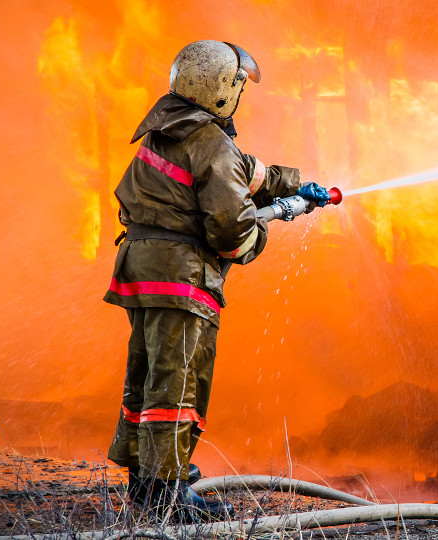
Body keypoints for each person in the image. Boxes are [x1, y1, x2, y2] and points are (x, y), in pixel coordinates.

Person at [103, 40, 331, 522]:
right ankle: (166, 496)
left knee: (147, 377)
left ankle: (146, 480)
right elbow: (232, 230)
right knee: (178, 384)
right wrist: (263, 228)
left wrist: (291, 185)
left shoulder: (167, 129)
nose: (241, 96)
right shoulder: (209, 142)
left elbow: (240, 172)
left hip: (142, 270)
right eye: (239, 87)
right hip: (180, 278)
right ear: (221, 91)